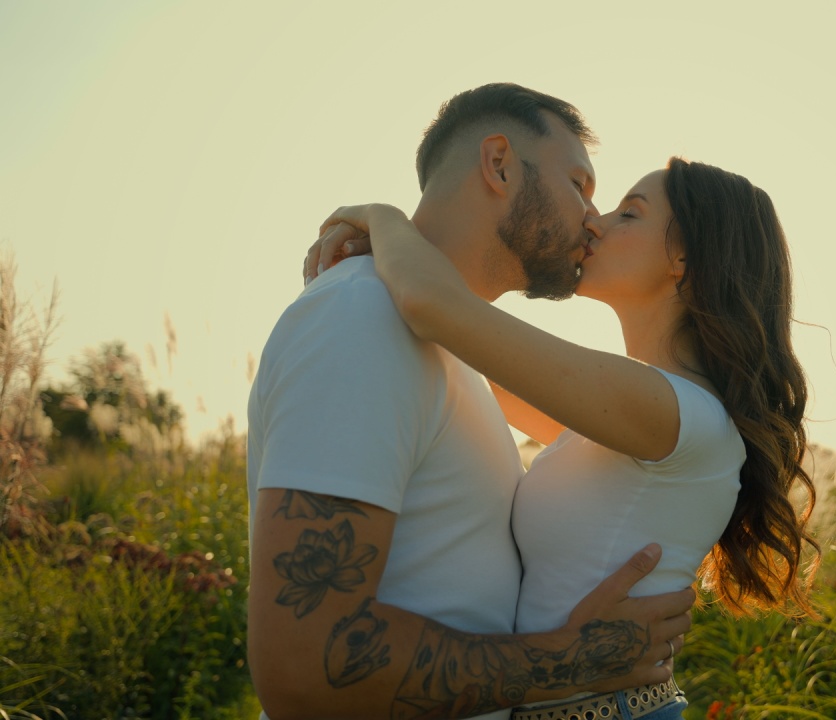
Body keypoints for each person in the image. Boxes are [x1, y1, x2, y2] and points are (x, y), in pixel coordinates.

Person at [306, 155, 819, 719]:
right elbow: (465, 353)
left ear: (682, 258)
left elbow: (437, 308)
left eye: (630, 214)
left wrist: (379, 218)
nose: (596, 222)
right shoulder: (634, 420)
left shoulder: (671, 412)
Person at [246, 84, 695, 720]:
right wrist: (567, 662)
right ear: (500, 163)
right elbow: (304, 664)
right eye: (579, 184)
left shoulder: (453, 353)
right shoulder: (360, 317)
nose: (592, 219)